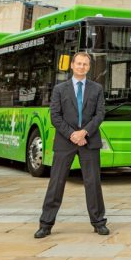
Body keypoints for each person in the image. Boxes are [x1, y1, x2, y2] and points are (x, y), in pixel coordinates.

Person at [36, 52, 108, 238]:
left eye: (85, 64)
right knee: (56, 182)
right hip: (64, 142)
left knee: (93, 182)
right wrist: (72, 135)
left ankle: (99, 222)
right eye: (78, 63)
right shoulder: (60, 89)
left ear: (89, 67)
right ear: (72, 65)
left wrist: (84, 132)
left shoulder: (97, 88)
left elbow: (100, 114)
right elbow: (55, 116)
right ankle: (46, 224)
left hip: (89, 140)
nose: (81, 66)